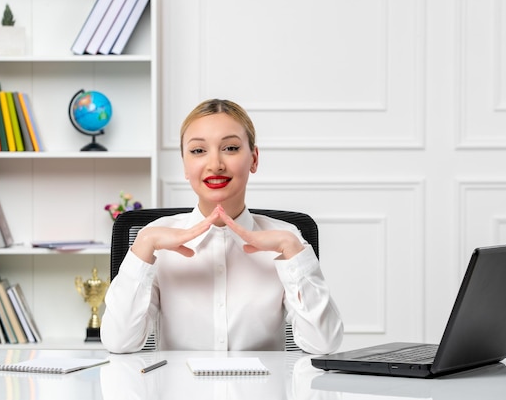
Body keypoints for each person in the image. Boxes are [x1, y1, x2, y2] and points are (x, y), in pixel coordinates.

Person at [101, 99, 343, 354]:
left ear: (254, 158)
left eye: (230, 147)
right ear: (184, 164)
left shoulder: (286, 239)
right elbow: (119, 342)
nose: (215, 164)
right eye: (198, 151)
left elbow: (324, 344)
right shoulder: (156, 242)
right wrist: (144, 243)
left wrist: (292, 249)